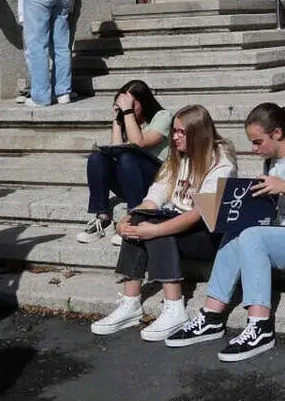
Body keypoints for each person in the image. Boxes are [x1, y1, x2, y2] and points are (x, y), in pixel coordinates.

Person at [164, 103, 285, 362]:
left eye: (258, 142)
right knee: (237, 229)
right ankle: (212, 315)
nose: (253, 149)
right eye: (252, 142)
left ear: (278, 133)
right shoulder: (271, 161)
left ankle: (261, 327)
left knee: (253, 236)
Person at [90, 105, 236, 342]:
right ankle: (130, 304)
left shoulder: (222, 161)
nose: (174, 137)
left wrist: (155, 229)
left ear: (198, 133)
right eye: (174, 131)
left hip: (208, 235)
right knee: (141, 218)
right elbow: (155, 196)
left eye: (180, 132)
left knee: (159, 229)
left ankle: (175, 307)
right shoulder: (178, 156)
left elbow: (198, 214)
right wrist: (129, 218)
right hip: (180, 224)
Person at [78, 80, 174, 245]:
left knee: (128, 156)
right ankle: (103, 217)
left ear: (143, 101)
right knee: (97, 158)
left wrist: (128, 112)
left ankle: (135, 216)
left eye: (130, 103)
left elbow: (139, 143)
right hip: (131, 177)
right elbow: (117, 150)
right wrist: (117, 120)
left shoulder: (163, 117)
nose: (125, 107)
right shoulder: (128, 120)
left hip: (156, 180)